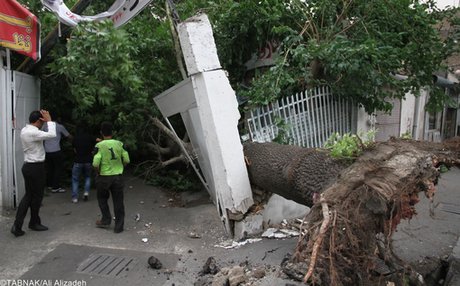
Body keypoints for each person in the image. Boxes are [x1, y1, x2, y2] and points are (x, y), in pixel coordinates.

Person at [11, 110, 56, 237]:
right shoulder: (33, 132)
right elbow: (52, 135)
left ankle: (26, 223)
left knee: (30, 196)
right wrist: (50, 121)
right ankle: (30, 223)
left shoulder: (26, 130)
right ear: (39, 121)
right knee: (35, 197)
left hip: (28, 167)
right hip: (36, 167)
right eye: (42, 122)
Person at [93, 122, 130, 233]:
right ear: (112, 132)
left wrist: (98, 171)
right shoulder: (119, 144)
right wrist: (121, 167)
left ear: (101, 133)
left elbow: (95, 163)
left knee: (102, 199)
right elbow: (127, 159)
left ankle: (106, 219)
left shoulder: (99, 146)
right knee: (118, 201)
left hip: (103, 177)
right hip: (117, 177)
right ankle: (119, 227)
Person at [43, 116, 71, 193]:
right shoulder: (60, 126)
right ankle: (55, 187)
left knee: (49, 168)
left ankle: (49, 185)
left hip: (47, 151)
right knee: (58, 169)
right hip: (56, 150)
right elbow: (68, 136)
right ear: (58, 119)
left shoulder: (45, 125)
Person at [71, 123, 97, 203]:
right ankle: (86, 193)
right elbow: (99, 140)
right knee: (88, 177)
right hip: (88, 160)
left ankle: (75, 198)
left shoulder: (75, 138)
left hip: (78, 160)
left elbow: (74, 149)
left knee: (75, 179)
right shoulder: (90, 137)